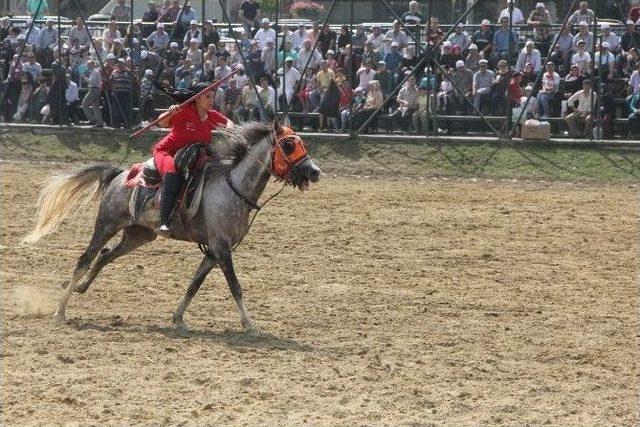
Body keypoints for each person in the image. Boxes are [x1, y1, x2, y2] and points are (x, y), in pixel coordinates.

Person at [153, 82, 232, 233]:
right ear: (196, 99)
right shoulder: (185, 111)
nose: (211, 100)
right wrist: (170, 112)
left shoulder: (210, 115)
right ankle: (164, 221)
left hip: (192, 154)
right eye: (207, 97)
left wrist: (229, 128)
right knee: (172, 174)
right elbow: (162, 122)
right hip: (168, 152)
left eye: (213, 97)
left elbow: (228, 122)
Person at [81, 60, 104, 127]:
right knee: (95, 106)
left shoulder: (95, 72)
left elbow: (92, 82)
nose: (88, 66)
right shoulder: (94, 72)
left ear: (93, 64)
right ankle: (100, 122)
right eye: (87, 64)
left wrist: (84, 77)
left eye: (89, 64)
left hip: (94, 89)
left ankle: (92, 119)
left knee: (84, 104)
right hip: (96, 89)